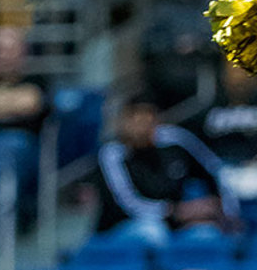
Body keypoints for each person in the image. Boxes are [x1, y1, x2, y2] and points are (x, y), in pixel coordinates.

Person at [94, 92, 240, 242]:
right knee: (153, 232)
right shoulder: (112, 154)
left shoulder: (175, 141)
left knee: (207, 234)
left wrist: (226, 210)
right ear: (124, 122)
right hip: (124, 227)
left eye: (148, 118)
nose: (142, 126)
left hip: (176, 224)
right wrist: (175, 211)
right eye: (136, 119)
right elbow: (129, 204)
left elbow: (215, 170)